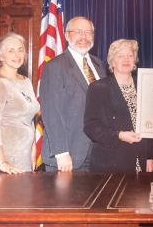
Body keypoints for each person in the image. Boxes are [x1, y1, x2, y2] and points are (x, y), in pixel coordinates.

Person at [40, 16, 106, 172]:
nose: (84, 37)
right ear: (67, 35)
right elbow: (51, 113)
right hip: (68, 154)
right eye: (78, 32)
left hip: (97, 152)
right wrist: (61, 152)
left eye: (88, 32)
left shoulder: (98, 65)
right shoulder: (54, 67)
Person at [84, 39, 153, 172]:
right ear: (111, 61)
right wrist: (120, 135)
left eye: (130, 55)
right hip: (112, 162)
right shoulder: (98, 88)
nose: (126, 59)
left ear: (135, 60)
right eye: (120, 55)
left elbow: (152, 124)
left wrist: (150, 156)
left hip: (142, 160)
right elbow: (90, 126)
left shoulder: (145, 85)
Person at [0, 33, 40, 174]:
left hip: (23, 153)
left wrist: (33, 150)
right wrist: (2, 163)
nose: (17, 55)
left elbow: (29, 119)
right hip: (4, 156)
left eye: (20, 50)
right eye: (11, 51)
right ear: (1, 56)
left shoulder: (25, 81)